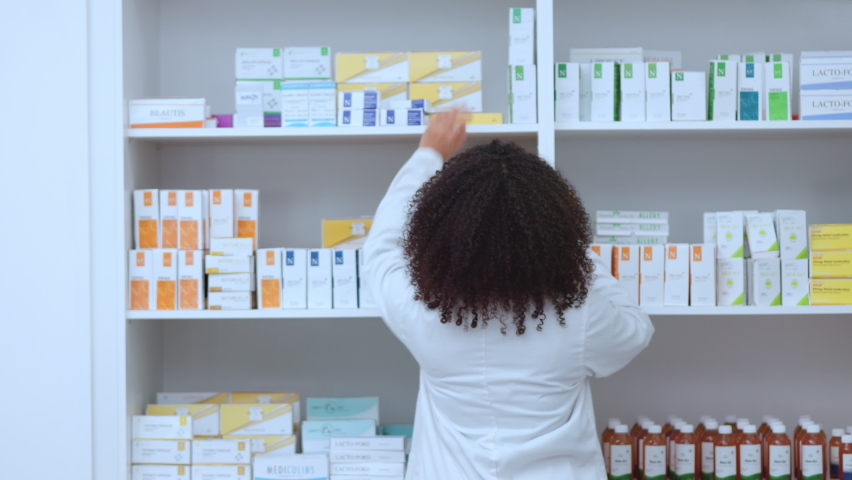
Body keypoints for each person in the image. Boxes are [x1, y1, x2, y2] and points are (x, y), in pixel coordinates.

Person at [362, 110, 654, 479]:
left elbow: (381, 248)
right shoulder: (578, 313)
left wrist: (428, 153)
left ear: (440, 232)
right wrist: (570, 254)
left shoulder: (421, 307)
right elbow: (636, 328)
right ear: (551, 227)